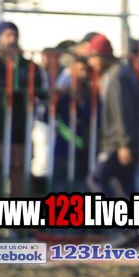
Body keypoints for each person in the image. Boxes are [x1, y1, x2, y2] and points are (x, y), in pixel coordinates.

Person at [0, 22, 47, 198]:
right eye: (7, 35)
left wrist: (19, 84)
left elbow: (39, 89)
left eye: (15, 36)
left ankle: (22, 217)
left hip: (20, 133)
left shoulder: (28, 65)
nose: (12, 40)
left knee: (21, 186)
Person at [83, 34, 139, 204]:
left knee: (96, 179)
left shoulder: (117, 75)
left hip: (118, 143)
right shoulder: (120, 72)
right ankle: (128, 221)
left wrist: (124, 144)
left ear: (101, 54)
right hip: (127, 141)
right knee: (125, 188)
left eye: (92, 57)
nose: (90, 63)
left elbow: (123, 110)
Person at [51, 56, 95, 194]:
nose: (83, 74)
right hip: (61, 153)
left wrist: (81, 101)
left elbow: (97, 119)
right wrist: (57, 97)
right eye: (80, 70)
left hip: (83, 155)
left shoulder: (92, 96)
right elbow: (47, 116)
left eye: (86, 71)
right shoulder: (64, 95)